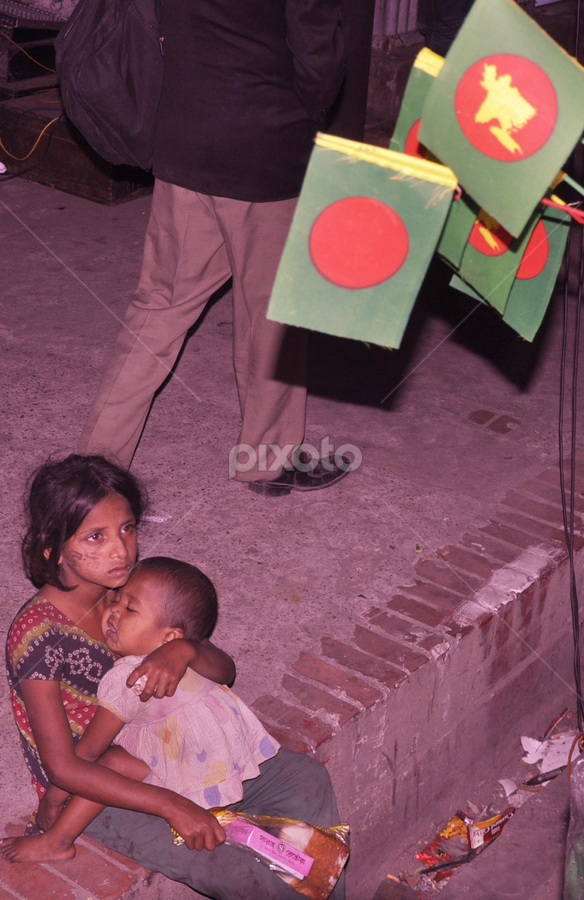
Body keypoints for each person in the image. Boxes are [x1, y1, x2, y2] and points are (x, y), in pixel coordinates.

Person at [4, 455, 345, 899]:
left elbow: (226, 671)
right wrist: (172, 805)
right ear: (52, 545)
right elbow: (65, 765)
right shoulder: (38, 635)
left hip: (177, 746)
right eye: (96, 537)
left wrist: (183, 649)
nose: (120, 550)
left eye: (128, 528)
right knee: (233, 869)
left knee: (307, 780)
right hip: (101, 792)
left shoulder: (131, 590)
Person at [77, 0, 351, 499]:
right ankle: (267, 461)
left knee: (159, 307)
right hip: (265, 150)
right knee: (272, 315)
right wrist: (305, 115)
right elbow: (319, 62)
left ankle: (95, 469)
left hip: (184, 139)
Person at [1, 557, 284, 866]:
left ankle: (57, 840)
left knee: (111, 761)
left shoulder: (130, 678)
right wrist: (184, 650)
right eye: (117, 601)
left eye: (129, 609)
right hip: (220, 759)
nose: (113, 611)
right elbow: (225, 670)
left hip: (186, 772)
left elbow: (88, 753)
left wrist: (51, 801)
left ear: (170, 637)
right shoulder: (172, 649)